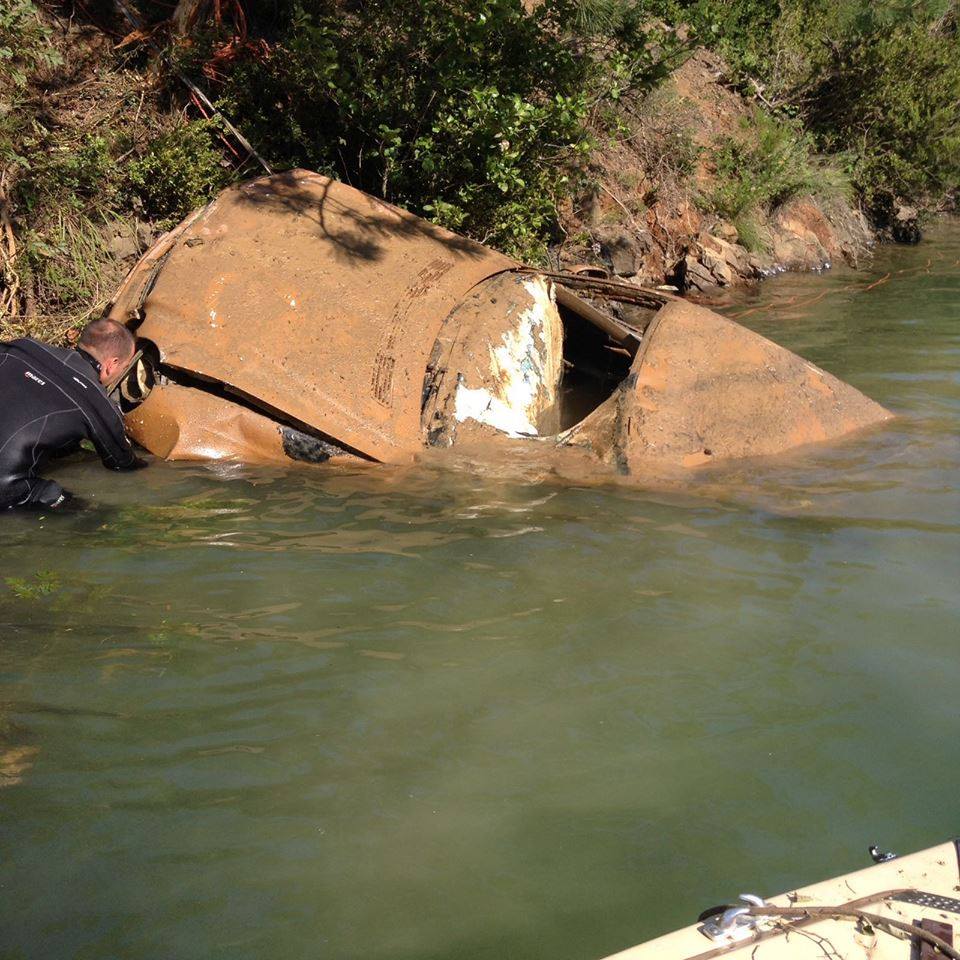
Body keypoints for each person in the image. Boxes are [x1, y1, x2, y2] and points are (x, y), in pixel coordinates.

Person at [0, 318, 146, 510]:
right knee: (89, 511)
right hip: (5, 489)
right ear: (112, 364)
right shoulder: (99, 404)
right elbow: (123, 464)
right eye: (124, 367)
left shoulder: (21, 346)